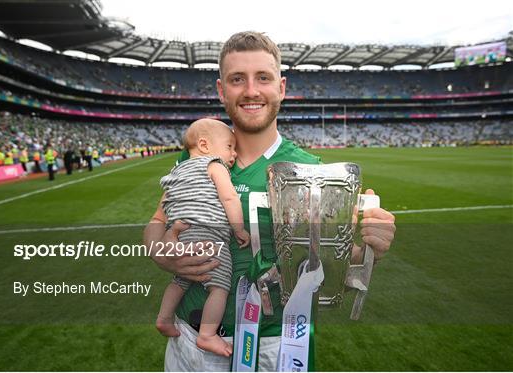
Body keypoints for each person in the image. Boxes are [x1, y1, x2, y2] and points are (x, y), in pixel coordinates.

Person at [143, 31, 396, 371]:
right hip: (190, 340)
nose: (251, 90)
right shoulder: (196, 159)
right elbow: (158, 221)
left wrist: (370, 250)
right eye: (237, 80)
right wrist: (160, 252)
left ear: (281, 87)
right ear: (221, 90)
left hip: (274, 346)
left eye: (263, 77)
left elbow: (327, 258)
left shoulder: (310, 170)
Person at [156, 118, 250, 357]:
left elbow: (166, 202)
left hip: (180, 232)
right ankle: (207, 335)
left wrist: (171, 233)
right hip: (209, 233)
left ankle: (164, 318)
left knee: (181, 278)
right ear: (205, 145)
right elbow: (229, 198)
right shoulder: (214, 164)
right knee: (219, 286)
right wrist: (238, 228)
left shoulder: (177, 170)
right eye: (229, 146)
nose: (234, 152)